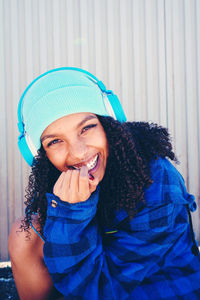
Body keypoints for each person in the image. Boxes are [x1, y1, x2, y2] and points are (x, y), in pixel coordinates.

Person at [9, 67, 200, 300]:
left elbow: (100, 290)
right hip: (91, 278)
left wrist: (72, 213)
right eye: (55, 141)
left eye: (87, 128)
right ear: (41, 154)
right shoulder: (60, 177)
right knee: (25, 235)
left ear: (108, 124)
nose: (78, 153)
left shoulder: (155, 178)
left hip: (155, 290)